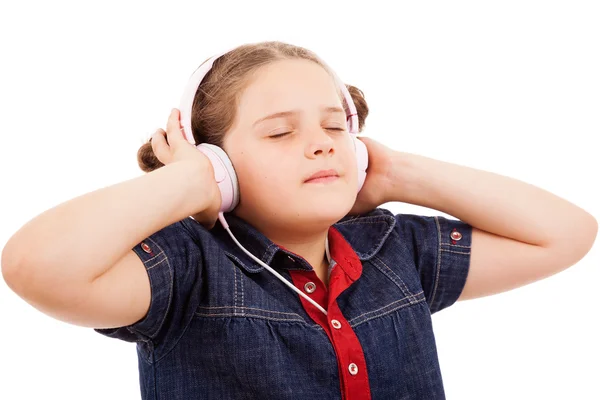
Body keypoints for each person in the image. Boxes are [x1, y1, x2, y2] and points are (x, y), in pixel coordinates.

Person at [2, 40, 596, 400]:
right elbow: (38, 267)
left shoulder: (395, 251)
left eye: (337, 127)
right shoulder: (185, 271)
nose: (322, 145)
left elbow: (566, 233)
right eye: (281, 132)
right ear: (218, 161)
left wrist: (398, 173)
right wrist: (188, 182)